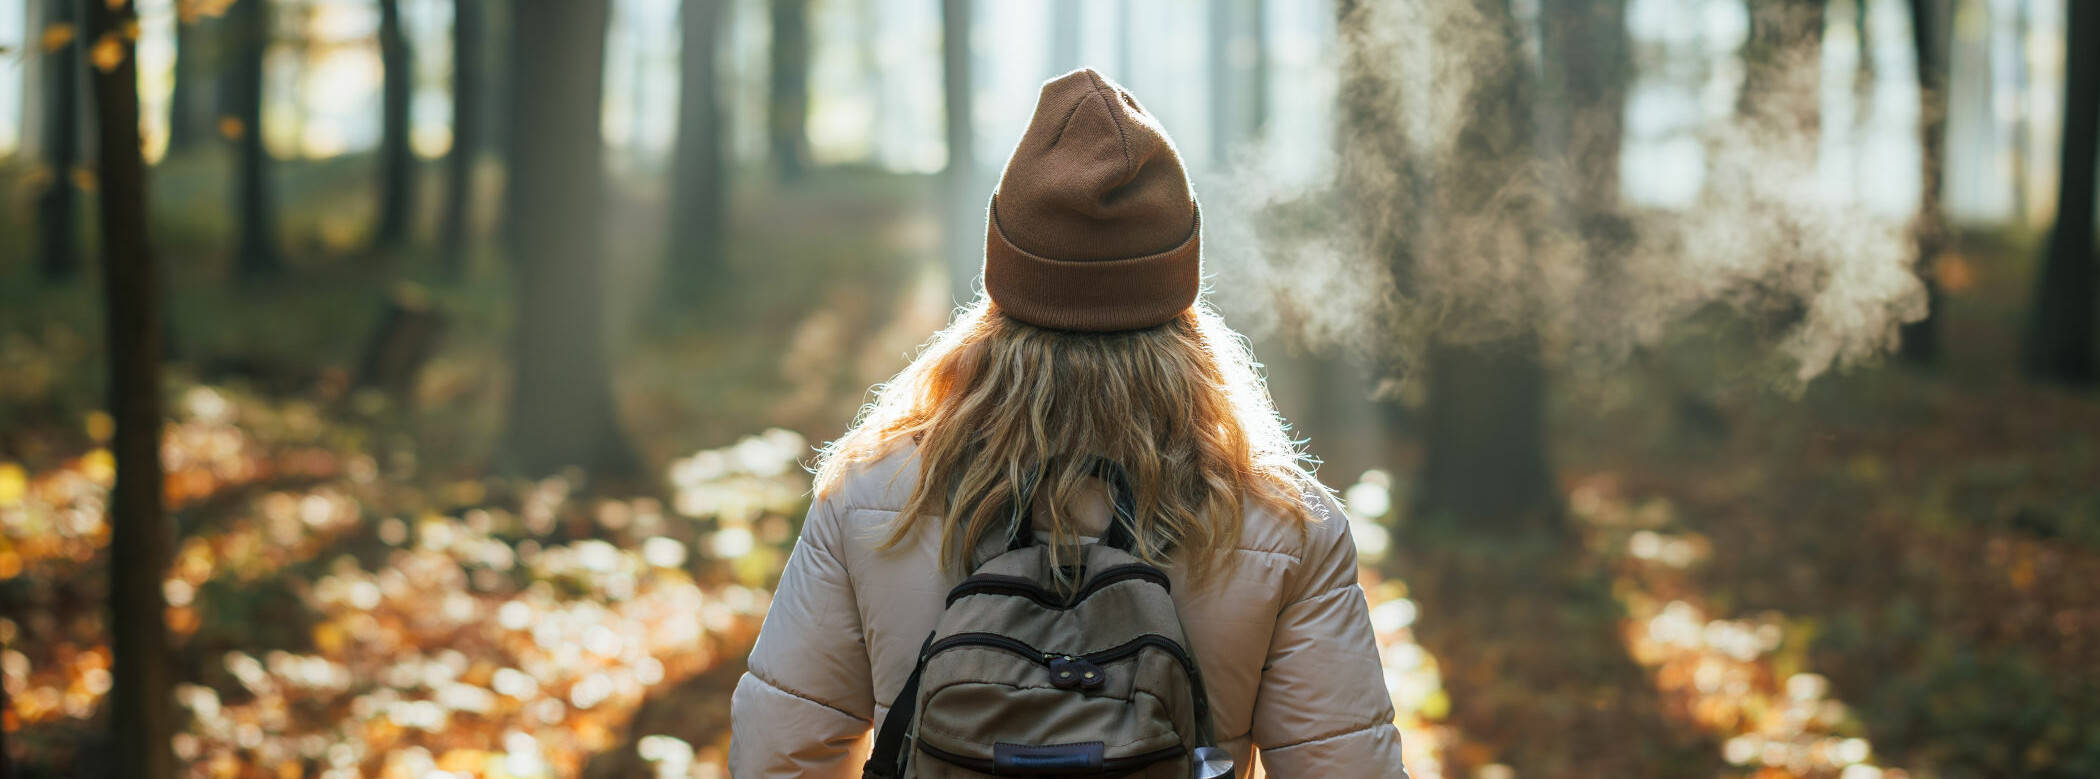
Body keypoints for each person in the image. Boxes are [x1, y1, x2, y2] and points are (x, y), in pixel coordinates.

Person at [728, 68, 1406, 779]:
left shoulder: (873, 496)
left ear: (1004, 274)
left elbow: (781, 753)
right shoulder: (1282, 523)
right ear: (1180, 284)